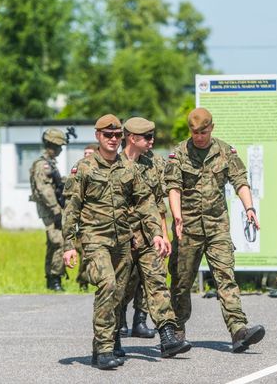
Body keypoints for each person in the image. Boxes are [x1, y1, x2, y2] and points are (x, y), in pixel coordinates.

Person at [62, 114, 185, 370]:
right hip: (95, 239)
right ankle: (104, 349)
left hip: (122, 241)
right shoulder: (84, 168)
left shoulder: (128, 168)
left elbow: (146, 203)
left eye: (117, 135)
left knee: (118, 293)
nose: (113, 139)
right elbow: (71, 209)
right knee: (107, 284)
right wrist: (69, 245)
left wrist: (157, 233)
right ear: (98, 136)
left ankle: (103, 346)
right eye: (108, 135)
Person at [165, 107, 265, 353]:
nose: (199, 137)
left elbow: (240, 180)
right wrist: (177, 216)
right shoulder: (179, 153)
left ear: (212, 128)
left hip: (217, 226)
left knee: (225, 278)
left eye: (203, 132)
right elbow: (173, 187)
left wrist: (249, 208)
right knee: (181, 283)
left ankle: (238, 330)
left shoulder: (225, 151)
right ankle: (176, 332)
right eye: (195, 132)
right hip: (187, 229)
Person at [119, 117, 191, 356]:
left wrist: (162, 234)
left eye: (153, 136)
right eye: (147, 137)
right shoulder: (113, 165)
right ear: (131, 138)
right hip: (121, 237)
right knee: (121, 288)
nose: (152, 141)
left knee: (157, 281)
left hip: (149, 235)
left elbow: (157, 203)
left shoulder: (155, 163)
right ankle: (112, 336)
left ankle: (168, 337)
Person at [29, 128, 68, 291]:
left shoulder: (50, 163)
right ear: (52, 145)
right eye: (59, 146)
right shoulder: (43, 165)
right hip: (50, 209)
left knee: (54, 243)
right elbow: (45, 190)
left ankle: (52, 279)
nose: (60, 150)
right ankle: (55, 279)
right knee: (59, 242)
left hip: (53, 208)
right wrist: (56, 210)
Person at [73, 143, 99, 291]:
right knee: (85, 253)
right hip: (85, 222)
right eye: (85, 153)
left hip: (102, 222)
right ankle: (83, 282)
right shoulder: (79, 169)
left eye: (90, 153)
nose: (87, 156)